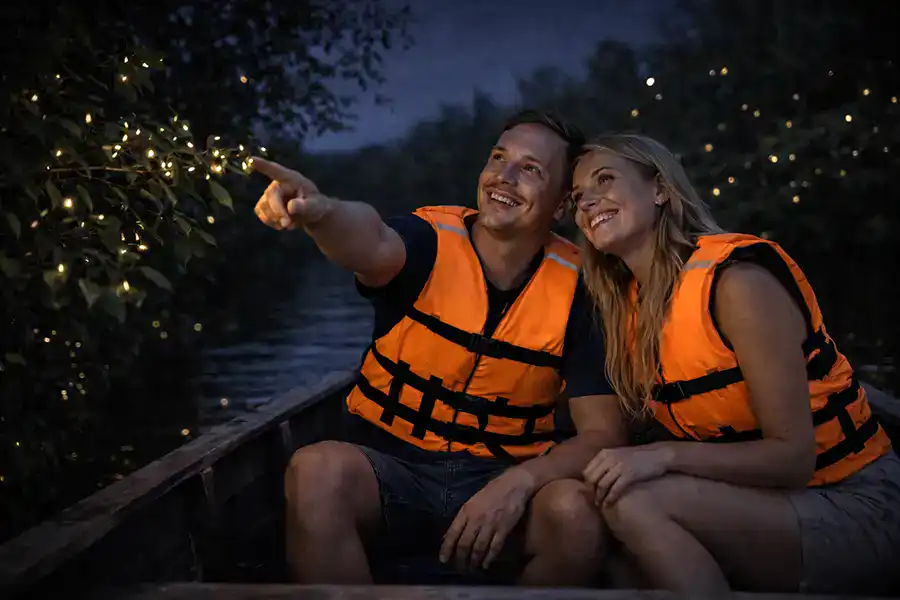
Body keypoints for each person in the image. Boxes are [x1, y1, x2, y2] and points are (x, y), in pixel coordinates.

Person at [250, 110, 627, 586]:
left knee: (576, 514)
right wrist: (322, 212)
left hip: (502, 479)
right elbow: (366, 238)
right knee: (315, 470)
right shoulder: (426, 241)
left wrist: (520, 482)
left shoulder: (581, 291)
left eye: (530, 169)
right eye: (498, 158)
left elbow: (601, 435)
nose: (503, 177)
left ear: (559, 207)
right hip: (391, 470)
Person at [569, 132, 900, 595]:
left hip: (855, 502)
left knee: (634, 504)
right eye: (578, 196)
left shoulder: (737, 284)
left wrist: (659, 456)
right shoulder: (628, 307)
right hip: (767, 502)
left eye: (605, 179)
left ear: (660, 189)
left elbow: (792, 458)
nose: (588, 201)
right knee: (617, 557)